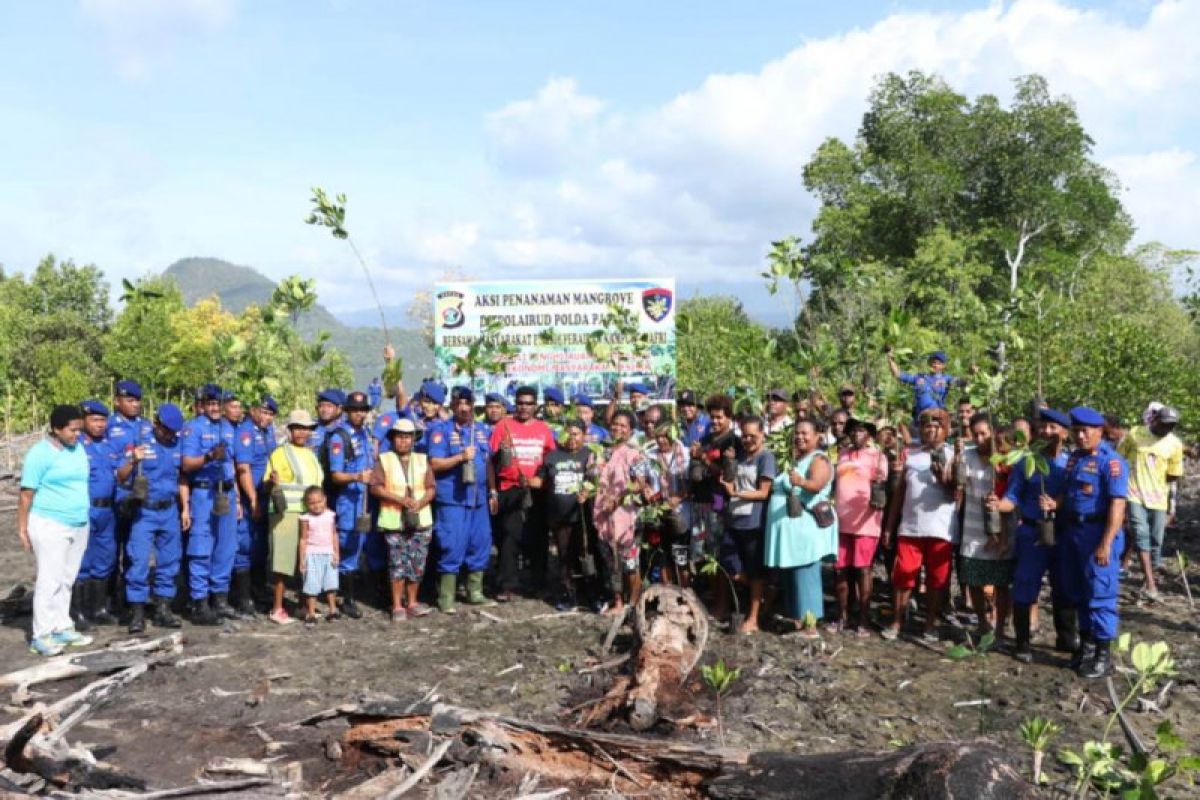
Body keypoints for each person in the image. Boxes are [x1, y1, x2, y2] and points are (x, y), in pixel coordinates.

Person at [1042, 407, 1128, 678]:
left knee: (1100, 594)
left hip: (1098, 532)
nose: (1079, 436)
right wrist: (1054, 503)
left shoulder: (1111, 462)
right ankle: (1086, 650)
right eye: (1076, 431)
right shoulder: (1074, 460)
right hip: (1073, 532)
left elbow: (1117, 505)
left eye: (1085, 431)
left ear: (1099, 431)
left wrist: (1106, 543)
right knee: (1077, 591)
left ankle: (1103, 655)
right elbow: (1069, 493)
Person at [993, 407, 1072, 663]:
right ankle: (1022, 642)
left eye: (1053, 428)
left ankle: (1066, 638)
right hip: (1030, 532)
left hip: (1062, 532)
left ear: (1065, 433)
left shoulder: (1071, 463)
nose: (1047, 432)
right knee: (1025, 585)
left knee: (1065, 585)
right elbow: (1012, 497)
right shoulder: (1026, 461)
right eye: (1043, 427)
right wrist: (997, 505)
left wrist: (1057, 504)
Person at [18, 405, 93, 656]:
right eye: (72, 430)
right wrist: (22, 527)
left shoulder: (78, 449)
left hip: (78, 523)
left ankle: (62, 625)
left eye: (79, 430)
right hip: (50, 523)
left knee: (67, 578)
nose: (77, 435)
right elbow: (27, 494)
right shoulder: (40, 454)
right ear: (56, 429)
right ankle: (42, 634)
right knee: (49, 579)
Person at [882, 407, 957, 641]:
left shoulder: (954, 455)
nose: (931, 431)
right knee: (903, 574)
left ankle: (930, 624)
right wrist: (889, 527)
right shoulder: (910, 455)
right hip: (910, 527)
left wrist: (943, 480)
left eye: (936, 427)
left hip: (941, 529)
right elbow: (899, 495)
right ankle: (897, 620)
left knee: (937, 579)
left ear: (945, 430)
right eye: (926, 426)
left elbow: (958, 494)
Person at [764, 419, 837, 637]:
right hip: (789, 531)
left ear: (818, 437)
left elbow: (817, 485)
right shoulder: (795, 459)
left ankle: (811, 626)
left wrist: (801, 482)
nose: (800, 437)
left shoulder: (819, 459)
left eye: (805, 433)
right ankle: (797, 621)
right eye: (796, 433)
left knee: (805, 575)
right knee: (792, 575)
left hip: (805, 529)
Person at [118, 404, 188, 633]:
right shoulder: (141, 441)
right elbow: (120, 476)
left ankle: (162, 610)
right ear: (156, 424)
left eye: (172, 433)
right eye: (165, 430)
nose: (169, 436)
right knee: (138, 561)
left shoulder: (177, 445)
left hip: (169, 511)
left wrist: (184, 508)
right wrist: (133, 461)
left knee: (169, 561)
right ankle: (136, 613)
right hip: (145, 511)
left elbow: (182, 478)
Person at [427, 386, 494, 613]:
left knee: (480, 543)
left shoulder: (483, 430)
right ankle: (446, 597)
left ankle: (475, 591)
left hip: (479, 498)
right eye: (458, 404)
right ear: (452, 406)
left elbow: (489, 464)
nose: (463, 407)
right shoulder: (441, 431)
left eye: (467, 403)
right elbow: (434, 464)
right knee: (451, 544)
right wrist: (460, 457)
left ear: (473, 406)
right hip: (453, 499)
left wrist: (492, 491)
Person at [489, 386, 556, 600]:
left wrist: (541, 481)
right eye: (520, 403)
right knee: (510, 536)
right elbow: (491, 461)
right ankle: (507, 584)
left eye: (528, 403)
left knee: (537, 536)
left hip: (536, 489)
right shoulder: (503, 426)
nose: (524, 407)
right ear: (515, 404)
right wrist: (493, 489)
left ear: (536, 405)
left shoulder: (544, 429)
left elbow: (550, 460)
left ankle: (538, 583)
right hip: (510, 487)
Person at [180, 384, 239, 625]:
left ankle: (220, 599)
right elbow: (186, 465)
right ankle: (199, 603)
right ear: (202, 405)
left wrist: (237, 495)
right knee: (201, 548)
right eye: (210, 404)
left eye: (218, 404)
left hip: (226, 492)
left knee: (226, 548)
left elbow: (233, 463)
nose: (214, 408)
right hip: (203, 494)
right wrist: (207, 458)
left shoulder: (228, 427)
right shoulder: (193, 428)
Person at [371, 419, 436, 621]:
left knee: (417, 563)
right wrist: (400, 499)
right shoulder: (384, 460)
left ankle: (413, 602)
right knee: (397, 564)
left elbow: (431, 487)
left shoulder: (422, 459)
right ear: (393, 438)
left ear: (413, 439)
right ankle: (398, 605)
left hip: (420, 519)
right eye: (399, 436)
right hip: (394, 520)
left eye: (407, 437)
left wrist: (421, 501)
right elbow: (375, 487)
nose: (403, 441)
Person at [262, 410, 324, 625]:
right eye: (298, 428)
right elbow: (268, 482)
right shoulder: (280, 453)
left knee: (304, 561)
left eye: (305, 428)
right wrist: (272, 481)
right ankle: (277, 608)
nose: (302, 432)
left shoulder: (311, 455)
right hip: (285, 513)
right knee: (283, 561)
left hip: (309, 514)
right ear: (290, 430)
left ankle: (304, 606)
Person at [1119, 405, 1184, 602]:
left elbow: (1173, 475)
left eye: (1171, 426)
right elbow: (1120, 458)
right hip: (1134, 493)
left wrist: (1171, 505)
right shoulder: (1135, 433)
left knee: (1156, 541)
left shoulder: (1174, 444)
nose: (1167, 429)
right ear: (1154, 420)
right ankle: (1150, 584)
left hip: (1158, 498)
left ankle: (1149, 580)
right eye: (1164, 424)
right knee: (1140, 535)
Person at [956, 414, 1013, 640]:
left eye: (984, 433)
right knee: (974, 579)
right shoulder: (967, 456)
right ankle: (982, 623)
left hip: (1000, 529)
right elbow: (957, 483)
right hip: (972, 528)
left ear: (992, 433)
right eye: (975, 434)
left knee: (1000, 581)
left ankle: (1000, 627)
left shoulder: (1004, 460)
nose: (979, 438)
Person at [719, 417, 776, 632]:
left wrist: (736, 493)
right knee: (729, 564)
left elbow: (763, 492)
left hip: (754, 522)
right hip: (734, 518)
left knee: (755, 572)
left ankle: (753, 618)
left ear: (762, 435)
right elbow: (730, 480)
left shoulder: (766, 458)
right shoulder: (740, 456)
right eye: (745, 435)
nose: (748, 439)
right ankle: (764, 595)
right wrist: (728, 465)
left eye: (753, 435)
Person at [834, 419, 888, 635]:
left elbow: (882, 482)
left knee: (863, 569)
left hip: (866, 521)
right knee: (840, 569)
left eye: (862, 431)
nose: (857, 434)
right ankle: (842, 616)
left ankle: (863, 620)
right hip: (841, 520)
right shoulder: (842, 453)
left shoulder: (878, 455)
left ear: (869, 435)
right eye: (854, 430)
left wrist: (881, 475)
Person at [325, 390, 374, 618]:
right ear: (346, 411)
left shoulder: (364, 434)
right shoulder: (339, 437)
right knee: (346, 548)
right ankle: (345, 599)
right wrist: (356, 477)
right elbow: (335, 474)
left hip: (363, 500)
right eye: (354, 410)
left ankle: (350, 595)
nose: (359, 414)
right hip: (347, 501)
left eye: (362, 410)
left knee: (358, 546)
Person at [73, 400, 121, 630]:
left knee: (105, 557)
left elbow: (119, 474)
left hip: (108, 509)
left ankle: (99, 608)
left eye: (103, 420)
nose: (100, 425)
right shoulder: (76, 446)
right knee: (83, 560)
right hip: (86, 508)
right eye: (94, 420)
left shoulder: (108, 445)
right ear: (83, 420)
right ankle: (78, 612)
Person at [540, 419, 597, 610]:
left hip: (583, 516)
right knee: (565, 556)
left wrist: (588, 491)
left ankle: (590, 594)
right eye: (568, 433)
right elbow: (540, 481)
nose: (572, 438)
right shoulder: (552, 457)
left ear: (583, 435)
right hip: (560, 517)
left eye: (576, 434)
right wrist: (524, 480)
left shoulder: (590, 455)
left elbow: (598, 481)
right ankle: (568, 593)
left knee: (586, 554)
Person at [594, 411, 644, 615]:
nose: (618, 429)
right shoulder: (601, 450)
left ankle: (634, 603)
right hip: (604, 513)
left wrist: (620, 497)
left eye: (624, 426)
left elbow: (640, 483)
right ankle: (618, 601)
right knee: (611, 562)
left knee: (630, 562)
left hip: (626, 514)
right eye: (615, 424)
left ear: (630, 430)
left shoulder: (635, 453)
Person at [232, 395, 277, 616]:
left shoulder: (268, 432)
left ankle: (259, 590)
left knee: (260, 546)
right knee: (245, 545)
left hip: (265, 494)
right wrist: (252, 499)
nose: (266, 417)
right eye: (263, 412)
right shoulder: (246, 432)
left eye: (270, 414)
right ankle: (243, 597)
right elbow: (243, 468)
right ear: (253, 411)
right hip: (252, 497)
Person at [298, 487, 340, 626]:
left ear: (325, 500)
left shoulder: (330, 516)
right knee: (311, 585)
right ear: (306, 504)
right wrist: (302, 559)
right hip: (312, 554)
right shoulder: (305, 518)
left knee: (330, 583)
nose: (316, 505)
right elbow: (303, 539)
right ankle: (311, 613)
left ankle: (333, 610)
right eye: (312, 503)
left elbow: (334, 534)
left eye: (319, 501)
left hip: (328, 553)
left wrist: (336, 552)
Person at [886, 349, 967, 421]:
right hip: (919, 418)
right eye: (933, 362)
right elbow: (898, 374)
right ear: (929, 363)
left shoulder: (946, 378)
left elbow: (961, 382)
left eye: (938, 363)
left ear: (943, 366)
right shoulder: (919, 377)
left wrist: (949, 383)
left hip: (937, 418)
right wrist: (890, 358)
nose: (935, 365)